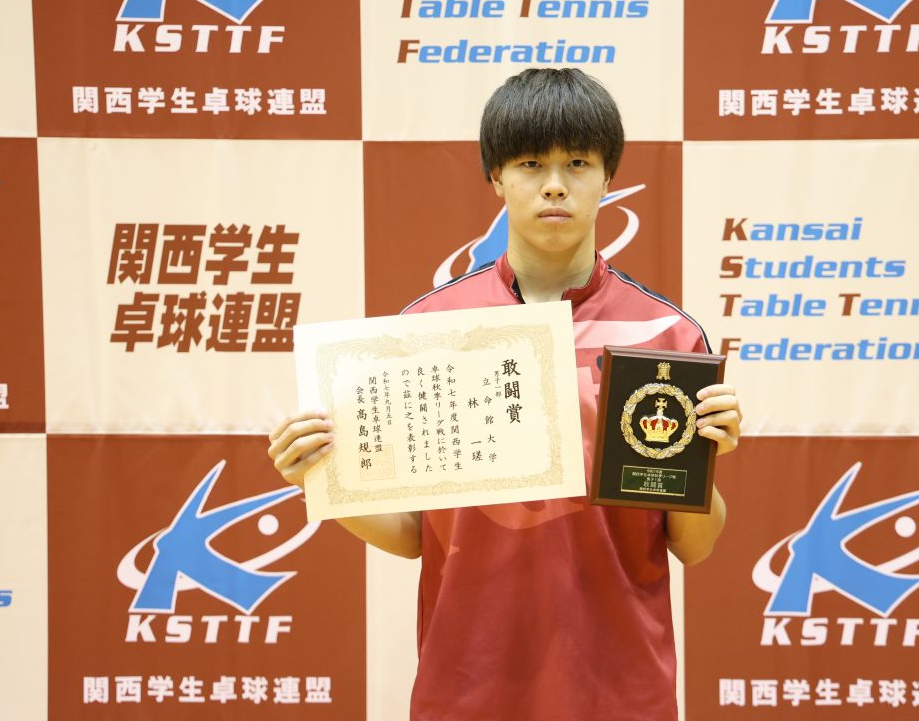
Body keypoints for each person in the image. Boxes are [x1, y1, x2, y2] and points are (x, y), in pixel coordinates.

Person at [267, 68, 742, 720]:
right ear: (496, 177)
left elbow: (694, 544)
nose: (555, 184)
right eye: (530, 164)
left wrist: (702, 464)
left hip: (622, 692)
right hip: (466, 687)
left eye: (578, 163)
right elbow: (414, 536)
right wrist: (321, 476)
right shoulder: (427, 329)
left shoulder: (668, 335)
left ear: (609, 177)